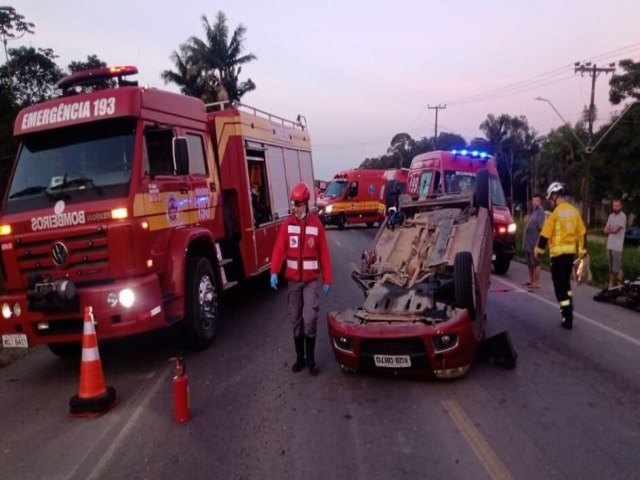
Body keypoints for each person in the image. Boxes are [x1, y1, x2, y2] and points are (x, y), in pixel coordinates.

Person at [270, 182, 332, 376]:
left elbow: (324, 254)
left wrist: (327, 279)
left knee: (310, 318)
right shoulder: (287, 225)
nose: (296, 208)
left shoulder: (316, 225)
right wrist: (274, 271)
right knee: (296, 319)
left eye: (299, 204)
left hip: (311, 281)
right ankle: (300, 358)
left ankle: (311, 359)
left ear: (306, 203)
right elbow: (279, 249)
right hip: (294, 282)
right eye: (294, 204)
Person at [535, 182, 586, 330]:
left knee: (559, 288)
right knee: (566, 284)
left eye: (551, 198)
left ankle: (567, 316)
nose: (551, 201)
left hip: (557, 256)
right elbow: (582, 233)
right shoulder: (574, 211)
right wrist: (582, 252)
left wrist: (538, 251)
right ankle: (569, 304)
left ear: (555, 196)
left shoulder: (555, 214)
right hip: (569, 256)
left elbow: (545, 235)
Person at [522, 193, 546, 288]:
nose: (534, 202)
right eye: (533, 201)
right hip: (528, 242)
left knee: (536, 262)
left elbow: (541, 229)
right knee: (529, 262)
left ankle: (537, 282)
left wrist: (538, 243)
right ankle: (531, 280)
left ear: (540, 201)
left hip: (534, 242)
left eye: (536, 201)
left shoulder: (541, 212)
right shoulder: (533, 211)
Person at [604, 198, 626, 288]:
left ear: (621, 206)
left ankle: (619, 286)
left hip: (617, 246)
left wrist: (610, 229)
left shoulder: (622, 216)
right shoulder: (611, 216)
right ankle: (611, 285)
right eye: (614, 206)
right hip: (610, 245)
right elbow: (605, 230)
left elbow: (616, 230)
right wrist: (609, 229)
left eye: (617, 206)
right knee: (611, 268)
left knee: (617, 268)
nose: (615, 207)